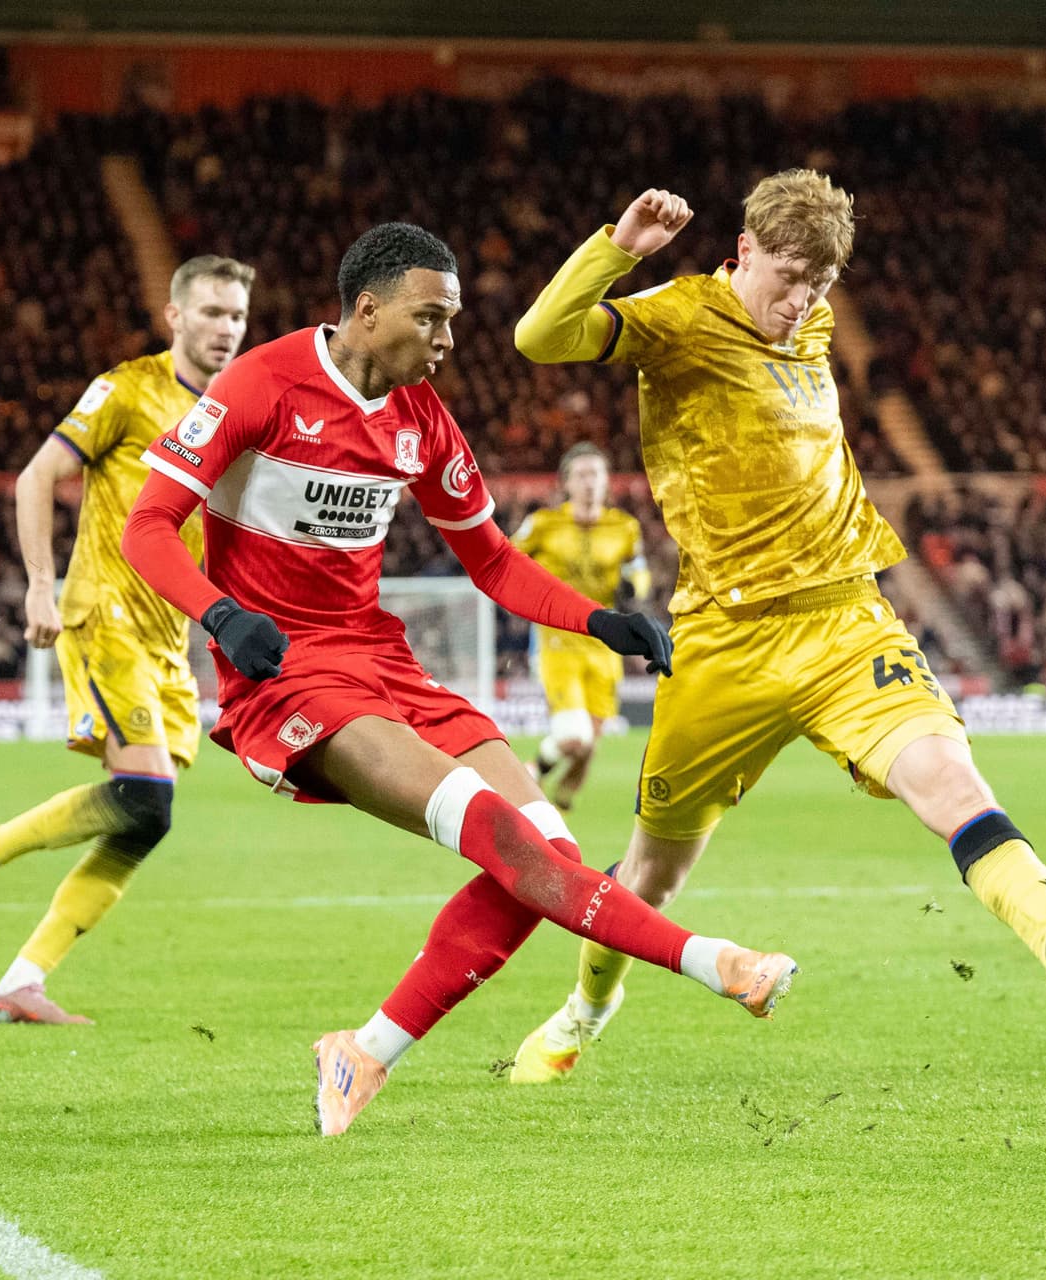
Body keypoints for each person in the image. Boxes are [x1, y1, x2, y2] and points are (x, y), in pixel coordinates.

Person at [117, 222, 796, 1136]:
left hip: (385, 660)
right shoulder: (262, 385)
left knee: (546, 853)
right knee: (504, 838)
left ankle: (363, 1052)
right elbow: (149, 525)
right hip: (293, 680)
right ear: (366, 310)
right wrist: (221, 614)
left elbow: (494, 563)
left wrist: (599, 621)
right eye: (430, 319)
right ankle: (719, 964)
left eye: (452, 321)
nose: (446, 341)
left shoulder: (421, 420)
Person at [501, 172, 1046, 1086]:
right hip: (726, 636)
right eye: (788, 274)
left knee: (950, 781)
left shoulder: (806, 326)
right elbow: (540, 338)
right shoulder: (681, 316)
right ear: (743, 253)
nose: (802, 299)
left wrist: (806, 297)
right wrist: (620, 248)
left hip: (847, 618)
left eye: (820, 282)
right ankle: (583, 1012)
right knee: (652, 872)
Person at [0, 255, 254, 1023]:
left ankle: (18, 983)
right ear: (174, 316)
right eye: (211, 312)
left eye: (237, 316)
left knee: (148, 818)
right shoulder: (127, 388)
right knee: (141, 794)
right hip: (104, 611)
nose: (226, 329)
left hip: (168, 639)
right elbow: (35, 476)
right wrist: (40, 583)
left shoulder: (241, 415)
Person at [514, 442, 652, 811]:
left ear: (607, 483)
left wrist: (633, 589)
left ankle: (541, 778)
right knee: (574, 738)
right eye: (581, 475)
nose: (589, 482)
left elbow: (638, 570)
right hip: (557, 638)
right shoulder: (544, 524)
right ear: (566, 484)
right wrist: (528, 595)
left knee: (589, 741)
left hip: (604, 640)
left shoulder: (624, 527)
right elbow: (508, 559)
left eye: (596, 474)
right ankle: (527, 772)